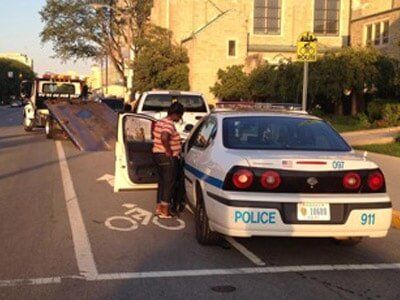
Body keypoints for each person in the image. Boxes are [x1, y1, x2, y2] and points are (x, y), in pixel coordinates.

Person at [152, 102, 184, 218]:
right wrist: (168, 150)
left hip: (157, 155)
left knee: (162, 182)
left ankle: (159, 208)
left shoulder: (160, 121)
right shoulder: (169, 124)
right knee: (169, 183)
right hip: (167, 157)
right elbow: (164, 136)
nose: (179, 119)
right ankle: (165, 211)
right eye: (179, 116)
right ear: (175, 114)